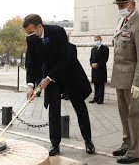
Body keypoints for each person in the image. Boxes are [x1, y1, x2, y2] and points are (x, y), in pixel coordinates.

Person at [23, 14, 95, 156]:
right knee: (53, 109)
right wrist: (30, 85)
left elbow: (66, 59)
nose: (29, 36)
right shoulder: (31, 39)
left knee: (79, 107)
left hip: (69, 73)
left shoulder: (58, 32)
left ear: (39, 27)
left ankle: (88, 140)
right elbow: (31, 64)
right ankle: (55, 144)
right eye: (27, 33)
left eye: (31, 32)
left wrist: (48, 78)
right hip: (51, 76)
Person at [110, 0, 139, 164]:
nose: (120, 7)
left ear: (133, 4)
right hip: (120, 77)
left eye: (123, 4)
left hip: (133, 79)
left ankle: (136, 152)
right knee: (124, 113)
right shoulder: (123, 22)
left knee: (135, 115)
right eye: (118, 4)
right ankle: (127, 144)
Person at [89, 35, 109, 104]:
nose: (96, 41)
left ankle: (101, 99)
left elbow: (105, 59)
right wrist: (91, 64)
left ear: (100, 39)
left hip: (101, 70)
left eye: (97, 39)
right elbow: (91, 58)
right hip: (94, 70)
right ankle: (95, 98)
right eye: (95, 40)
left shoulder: (105, 48)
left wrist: (98, 64)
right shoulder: (93, 49)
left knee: (101, 85)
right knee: (95, 84)